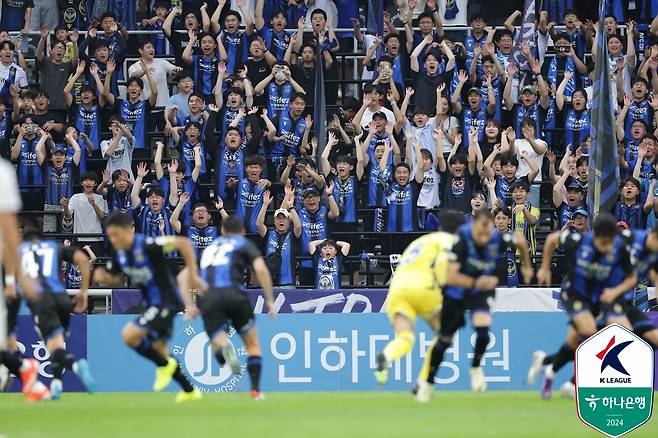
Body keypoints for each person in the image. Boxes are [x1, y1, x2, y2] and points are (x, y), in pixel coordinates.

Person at [418, 210, 532, 401]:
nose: (484, 237)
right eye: (480, 233)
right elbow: (451, 276)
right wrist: (476, 283)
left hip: (481, 291)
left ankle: (475, 367)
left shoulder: (496, 238)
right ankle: (428, 382)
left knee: (483, 333)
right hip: (457, 291)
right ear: (473, 227)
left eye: (488, 234)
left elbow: (520, 240)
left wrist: (527, 266)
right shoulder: (461, 240)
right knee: (444, 340)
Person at [94, 211, 203, 402]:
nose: (113, 240)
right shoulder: (120, 256)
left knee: (129, 335)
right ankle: (189, 391)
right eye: (110, 236)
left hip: (165, 302)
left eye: (116, 235)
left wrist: (192, 274)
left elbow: (184, 244)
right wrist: (105, 277)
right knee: (161, 351)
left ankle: (164, 366)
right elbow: (117, 277)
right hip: (150, 304)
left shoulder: (148, 245)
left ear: (129, 230)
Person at [535, 213, 637, 399]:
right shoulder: (577, 241)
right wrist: (544, 268)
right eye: (603, 243)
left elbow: (632, 278)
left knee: (620, 333)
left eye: (609, 243)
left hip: (600, 298)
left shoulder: (619, 248)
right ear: (594, 236)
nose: (607, 248)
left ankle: (551, 370)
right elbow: (551, 239)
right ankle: (575, 381)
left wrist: (615, 292)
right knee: (592, 333)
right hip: (575, 294)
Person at [374, 211, 463, 389]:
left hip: (398, 289)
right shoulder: (451, 241)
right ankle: (424, 381)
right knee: (444, 334)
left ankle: (386, 355)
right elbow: (444, 263)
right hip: (425, 288)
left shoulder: (420, 241)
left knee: (405, 337)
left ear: (439, 226)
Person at [192, 215, 275, 400]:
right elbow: (261, 269)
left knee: (217, 335)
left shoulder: (209, 249)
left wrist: (192, 304)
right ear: (243, 232)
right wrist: (269, 299)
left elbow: (189, 275)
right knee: (252, 344)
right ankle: (255, 391)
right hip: (234, 294)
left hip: (209, 296)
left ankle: (220, 345)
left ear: (222, 231)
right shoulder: (241, 243)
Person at [18, 230, 96, 399]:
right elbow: (83, 260)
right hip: (62, 299)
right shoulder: (53, 246)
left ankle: (76, 366)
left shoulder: (19, 251)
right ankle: (57, 383)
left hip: (42, 300)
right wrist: (83, 292)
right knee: (57, 344)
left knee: (53, 345)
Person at [0, 158, 47, 401]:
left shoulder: (3, 172)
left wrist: (13, 279)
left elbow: (8, 233)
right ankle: (22, 368)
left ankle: (20, 369)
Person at [256, 186, 301, 288]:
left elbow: (298, 226)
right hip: (269, 284)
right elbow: (259, 224)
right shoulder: (268, 233)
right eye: (278, 219)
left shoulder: (292, 235)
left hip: (288, 283)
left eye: (284, 218)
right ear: (274, 221)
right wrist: (265, 205)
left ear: (288, 221)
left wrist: (291, 207)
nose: (281, 221)